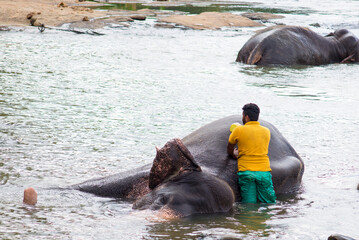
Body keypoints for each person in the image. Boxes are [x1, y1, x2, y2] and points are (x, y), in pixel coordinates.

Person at [227, 103, 276, 203]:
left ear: (246, 117)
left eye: (243, 115)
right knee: (269, 203)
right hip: (264, 172)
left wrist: (234, 154)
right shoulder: (266, 131)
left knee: (249, 205)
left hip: (246, 172)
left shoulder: (238, 129)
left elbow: (229, 148)